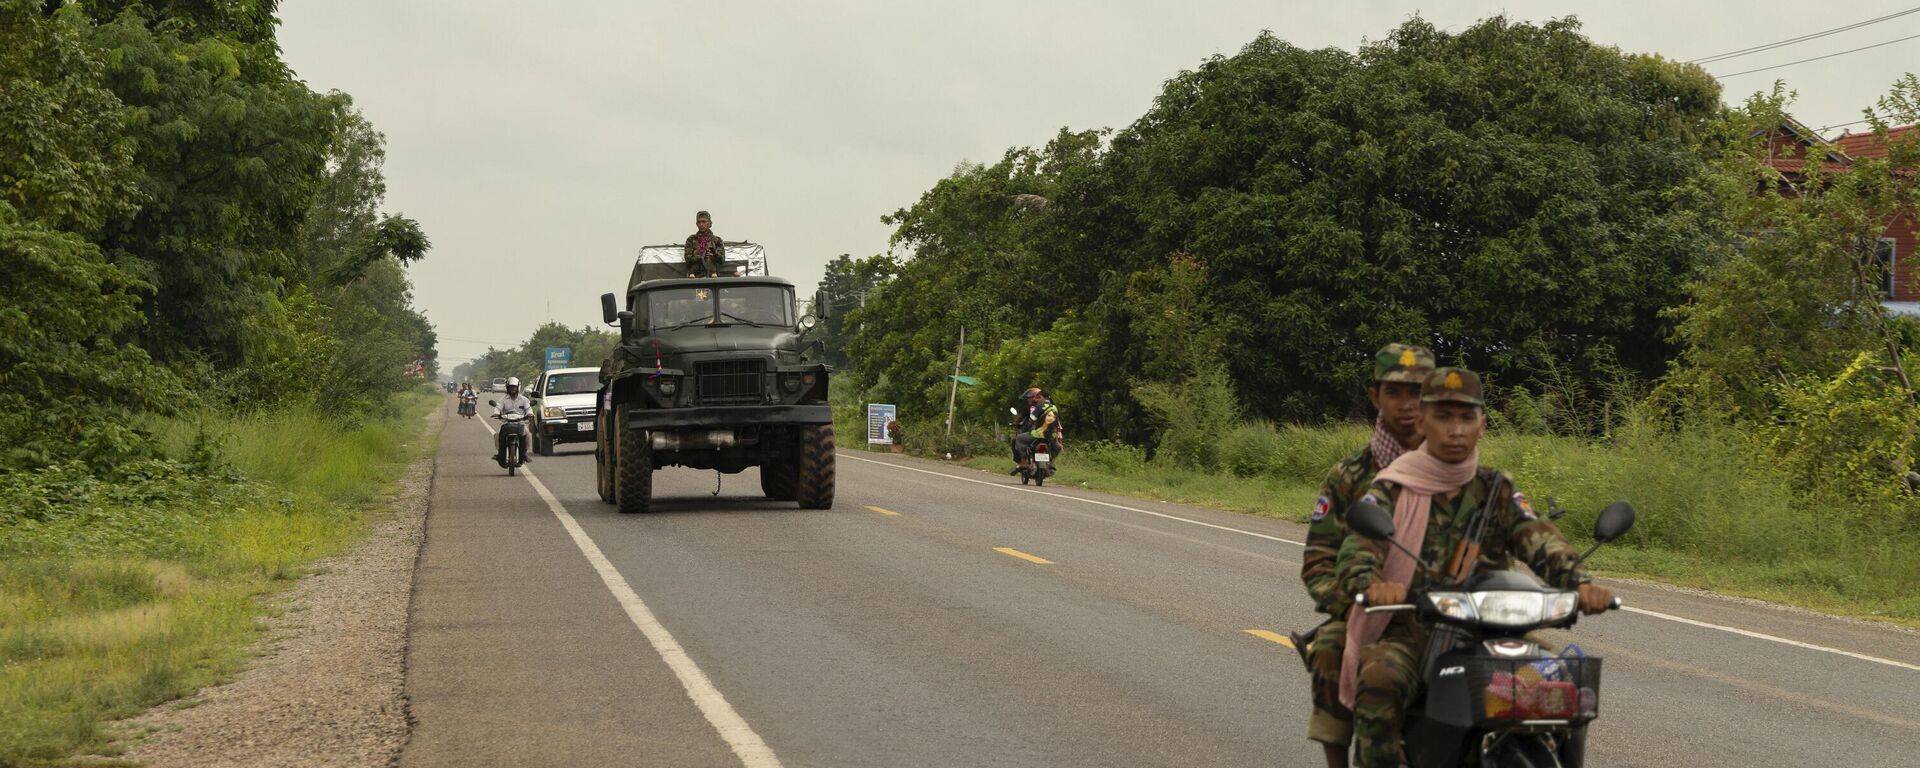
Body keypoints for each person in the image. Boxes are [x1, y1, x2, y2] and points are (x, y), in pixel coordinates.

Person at [1334, 367, 1613, 768]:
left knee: (1563, 682)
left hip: (1493, 630)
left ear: (1482, 424)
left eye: (1466, 418)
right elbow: (1358, 550)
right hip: (1414, 630)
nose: (1456, 430)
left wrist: (1580, 583)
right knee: (1380, 680)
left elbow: (1539, 538)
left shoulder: (1496, 490)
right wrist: (1371, 582)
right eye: (1444, 417)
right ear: (1423, 420)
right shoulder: (1391, 487)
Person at [1297, 343, 1434, 768]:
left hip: (1451, 616)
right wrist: (1359, 600)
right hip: (1372, 613)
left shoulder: (1462, 469)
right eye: (1395, 392)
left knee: (1546, 671)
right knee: (1331, 648)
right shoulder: (1350, 476)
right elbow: (1319, 561)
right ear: (1375, 397)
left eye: (1419, 392)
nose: (1408, 404)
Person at [1008, 387, 1061, 475]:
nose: (1037, 399)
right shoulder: (1054, 407)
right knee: (1058, 447)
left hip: (1038, 434)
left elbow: (1031, 421)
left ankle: (1023, 462)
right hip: (1051, 435)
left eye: (1039, 397)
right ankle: (1051, 463)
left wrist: (1028, 429)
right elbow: (1057, 423)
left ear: (1041, 397)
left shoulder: (1039, 406)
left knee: (1019, 439)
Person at [492, 377, 534, 465]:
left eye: (514, 387)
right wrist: (496, 413)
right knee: (497, 434)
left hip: (521, 423)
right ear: (507, 387)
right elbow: (498, 407)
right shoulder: (502, 399)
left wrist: (530, 414)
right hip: (506, 423)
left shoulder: (524, 400)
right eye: (510, 387)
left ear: (518, 387)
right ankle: (500, 453)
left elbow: (528, 408)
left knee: (528, 434)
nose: (512, 389)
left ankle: (525, 453)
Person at [684, 210, 726, 277]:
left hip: (712, 276)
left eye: (704, 222)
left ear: (710, 223)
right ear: (696, 224)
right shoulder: (691, 239)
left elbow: (722, 260)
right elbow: (688, 260)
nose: (701, 224)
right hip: (695, 276)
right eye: (699, 222)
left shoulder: (716, 240)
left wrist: (714, 253)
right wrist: (701, 254)